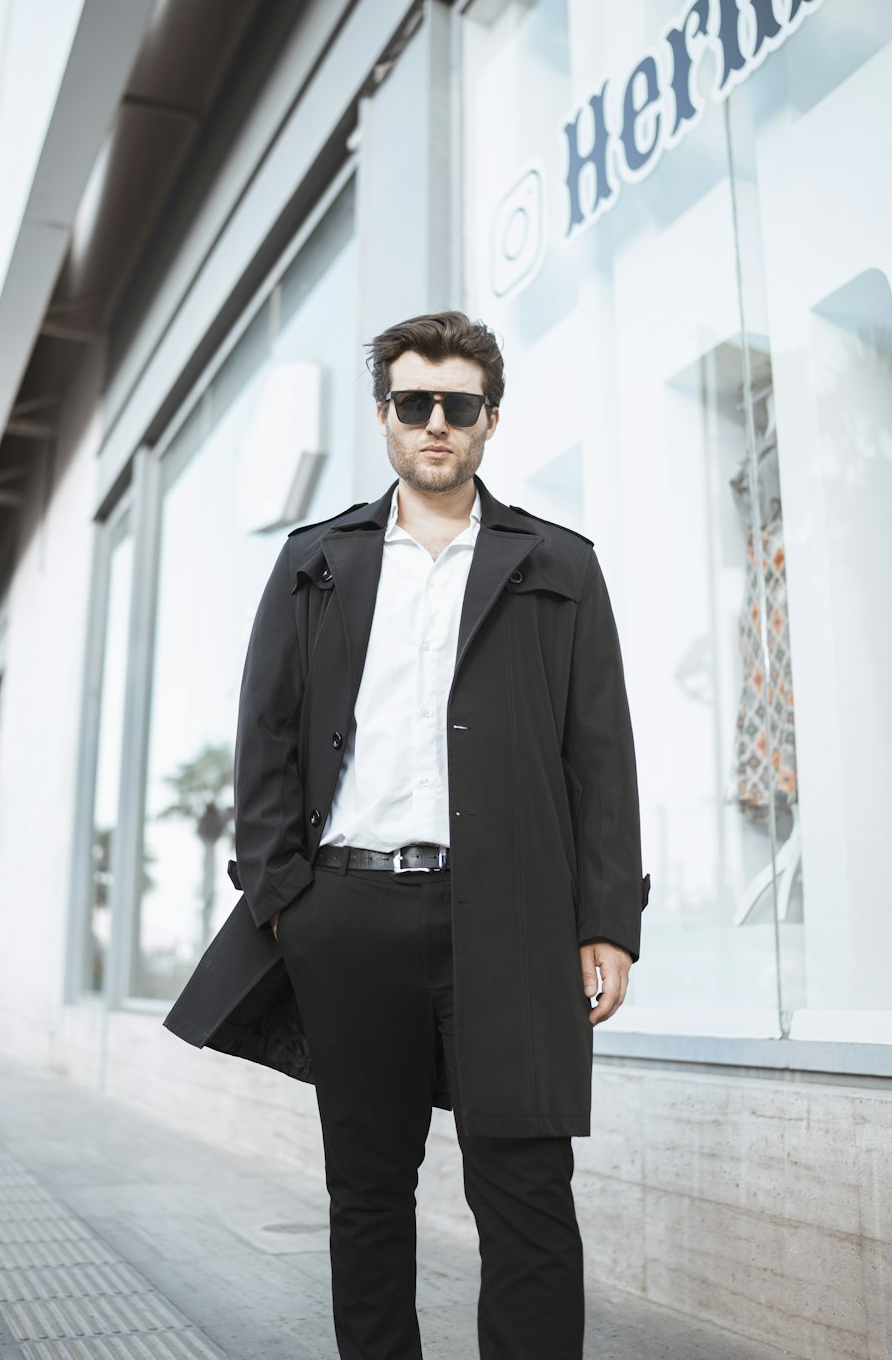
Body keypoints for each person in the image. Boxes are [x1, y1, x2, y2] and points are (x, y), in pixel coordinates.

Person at [167, 310, 649, 1360]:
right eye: (415, 403)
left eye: (459, 406)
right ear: (385, 414)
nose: (437, 424)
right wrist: (283, 898)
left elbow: (599, 757)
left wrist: (607, 919)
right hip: (347, 914)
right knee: (369, 1193)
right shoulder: (316, 562)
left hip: (515, 921)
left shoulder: (557, 565)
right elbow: (268, 739)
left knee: (526, 1194)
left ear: (489, 420)